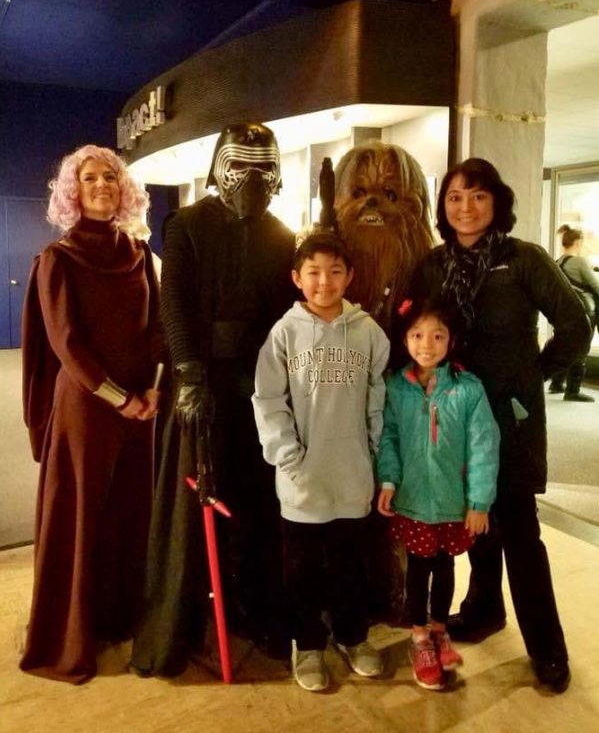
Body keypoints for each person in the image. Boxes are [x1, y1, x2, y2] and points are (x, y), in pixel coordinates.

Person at [412, 157, 591, 693]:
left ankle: (548, 649)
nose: (465, 208)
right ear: (443, 207)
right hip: (452, 419)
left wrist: (534, 375)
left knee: (520, 532)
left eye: (478, 196)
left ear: (498, 203)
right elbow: (414, 328)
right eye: (454, 197)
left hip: (509, 421)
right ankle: (483, 608)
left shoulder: (525, 260)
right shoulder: (433, 265)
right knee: (476, 523)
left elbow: (577, 325)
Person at [131, 122, 296, 677]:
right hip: (199, 383)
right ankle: (179, 622)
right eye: (239, 166)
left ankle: (257, 607)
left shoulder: (280, 235)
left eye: (262, 169)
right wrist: (189, 374)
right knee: (190, 508)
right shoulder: (187, 226)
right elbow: (174, 302)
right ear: (218, 167)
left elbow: (281, 317)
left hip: (258, 385)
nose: (250, 180)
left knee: (257, 500)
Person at [20, 144, 163, 684]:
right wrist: (119, 397)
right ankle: (70, 635)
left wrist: (149, 391)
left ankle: (118, 618)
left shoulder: (140, 254)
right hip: (87, 408)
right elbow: (67, 345)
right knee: (80, 518)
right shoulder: (57, 259)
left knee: (130, 516)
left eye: (110, 176)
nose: (101, 185)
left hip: (137, 410)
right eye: (89, 178)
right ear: (72, 191)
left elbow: (154, 331)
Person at [252, 233, 390, 692]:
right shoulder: (285, 332)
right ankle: (307, 645)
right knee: (303, 569)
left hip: (353, 474)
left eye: (334, 271)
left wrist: (373, 452)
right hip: (303, 478)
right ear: (297, 278)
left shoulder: (368, 331)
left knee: (353, 564)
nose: (324, 281)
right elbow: (268, 398)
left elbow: (378, 396)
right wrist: (288, 456)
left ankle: (353, 636)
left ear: (349, 276)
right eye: (313, 271)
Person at [377, 297, 499, 690]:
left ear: (451, 340)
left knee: (446, 568)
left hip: (453, 503)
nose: (426, 344)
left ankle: (439, 629)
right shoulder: (396, 386)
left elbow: (483, 445)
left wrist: (478, 502)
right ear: (404, 338)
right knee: (418, 571)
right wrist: (389, 480)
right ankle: (419, 639)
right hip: (412, 501)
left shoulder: (468, 389)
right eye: (416, 334)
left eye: (437, 335)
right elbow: (389, 438)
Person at [548, 224, 598, 402]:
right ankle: (573, 390)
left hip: (562, 313)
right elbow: (595, 286)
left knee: (563, 345)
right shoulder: (579, 262)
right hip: (583, 311)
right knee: (581, 348)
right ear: (577, 242)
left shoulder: (557, 262)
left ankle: (556, 383)